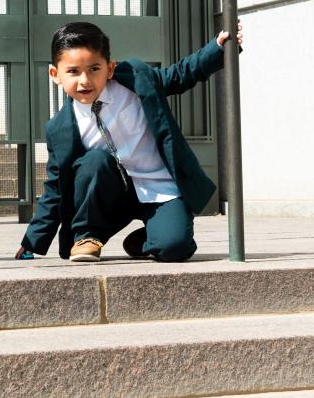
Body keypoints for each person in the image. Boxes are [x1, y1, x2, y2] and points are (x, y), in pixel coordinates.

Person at [16, 21, 243, 262]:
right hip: (110, 198)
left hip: (159, 187)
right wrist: (33, 241)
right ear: (55, 74)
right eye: (73, 71)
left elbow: (180, 75)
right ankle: (88, 236)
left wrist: (217, 48)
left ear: (110, 68)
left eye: (94, 69)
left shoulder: (135, 79)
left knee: (174, 248)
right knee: (93, 161)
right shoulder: (59, 128)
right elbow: (55, 187)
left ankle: (150, 239)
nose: (85, 81)